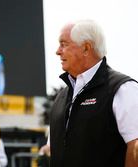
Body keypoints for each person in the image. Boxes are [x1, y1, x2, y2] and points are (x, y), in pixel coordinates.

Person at [50, 19, 138, 167]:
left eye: (64, 44)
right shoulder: (61, 98)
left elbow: (135, 146)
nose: (58, 51)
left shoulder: (123, 89)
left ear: (86, 48)